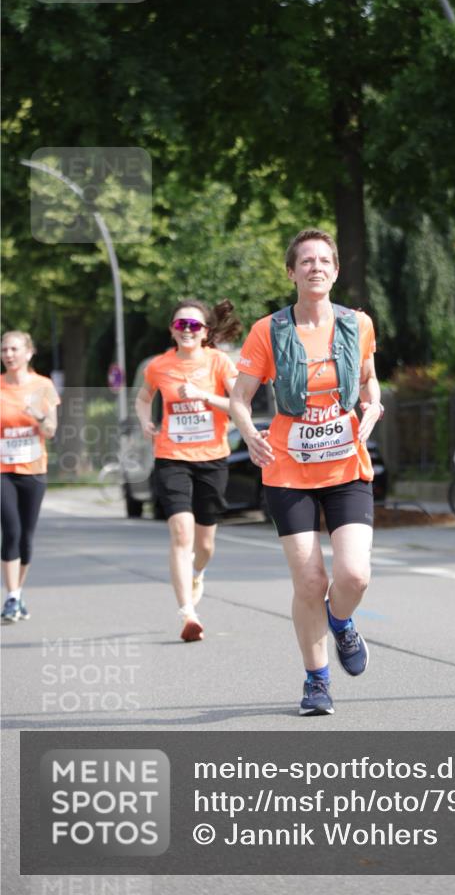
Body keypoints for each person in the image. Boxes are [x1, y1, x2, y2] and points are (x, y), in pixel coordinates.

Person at [230, 229, 384, 715]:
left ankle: (341, 622)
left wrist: (373, 406)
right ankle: (317, 681)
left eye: (324, 261)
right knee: (311, 582)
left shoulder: (357, 325)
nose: (316, 267)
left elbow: (368, 381)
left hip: (346, 466)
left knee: (354, 576)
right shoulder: (268, 330)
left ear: (335, 272)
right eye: (306, 261)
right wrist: (249, 433)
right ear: (291, 272)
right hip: (288, 471)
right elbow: (239, 398)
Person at [135, 298, 240, 642]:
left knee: (205, 543)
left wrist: (203, 396)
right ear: (172, 330)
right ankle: (188, 614)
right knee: (181, 533)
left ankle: (197, 572)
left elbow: (238, 404)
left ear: (205, 331)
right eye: (181, 324)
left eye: (194, 325)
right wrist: (145, 421)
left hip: (212, 458)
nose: (187, 330)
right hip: (171, 456)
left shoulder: (219, 362)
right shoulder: (159, 366)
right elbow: (143, 397)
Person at [1, 331, 60, 623]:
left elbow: (50, 431)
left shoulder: (43, 386)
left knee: (26, 537)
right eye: (4, 350)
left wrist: (38, 414)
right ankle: (11, 597)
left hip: (34, 470)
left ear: (29, 352)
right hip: (3, 470)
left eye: (14, 349)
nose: (8, 355)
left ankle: (18, 592)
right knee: (11, 531)